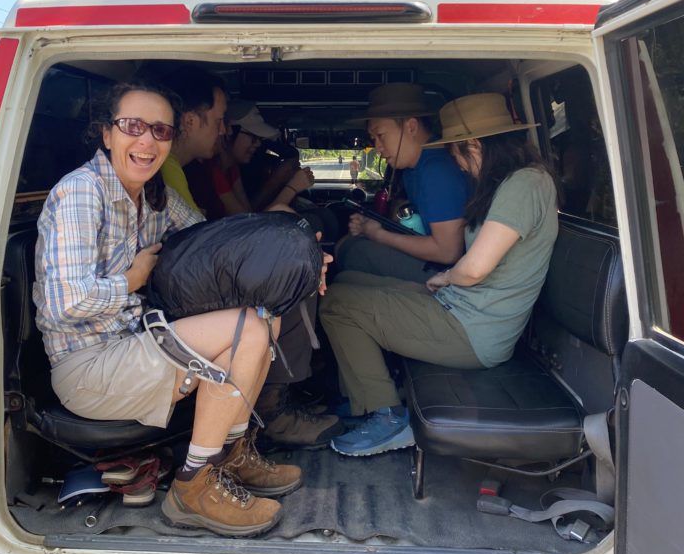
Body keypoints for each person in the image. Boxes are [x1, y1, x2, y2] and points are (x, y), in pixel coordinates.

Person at [33, 82, 314, 537]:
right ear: (107, 134)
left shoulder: (154, 194)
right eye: (133, 126)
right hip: (90, 366)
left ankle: (231, 455)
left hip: (138, 341)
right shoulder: (82, 193)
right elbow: (66, 304)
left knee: (267, 316)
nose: (147, 141)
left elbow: (211, 242)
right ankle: (193, 487)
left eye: (160, 131)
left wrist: (291, 255)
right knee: (247, 329)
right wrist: (131, 280)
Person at [320, 92, 558, 457]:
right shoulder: (515, 183)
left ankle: (387, 415)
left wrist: (445, 277)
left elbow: (474, 268)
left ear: (474, 146)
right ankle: (363, 394)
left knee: (338, 305)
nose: (457, 165)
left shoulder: (524, 185)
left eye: (457, 153)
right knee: (347, 283)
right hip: (463, 309)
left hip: (474, 330)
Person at [187, 100, 343, 450]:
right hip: (210, 272)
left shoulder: (226, 170)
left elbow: (249, 218)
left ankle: (282, 394)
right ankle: (273, 410)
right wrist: (285, 189)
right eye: (250, 138)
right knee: (291, 281)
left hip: (219, 263)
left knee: (299, 261)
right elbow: (245, 223)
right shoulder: (205, 171)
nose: (255, 145)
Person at [336, 83, 471, 284]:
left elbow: (448, 252)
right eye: (373, 139)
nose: (377, 147)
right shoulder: (411, 167)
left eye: (380, 135)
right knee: (351, 246)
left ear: (411, 127)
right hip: (434, 262)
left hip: (446, 275)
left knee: (353, 253)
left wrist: (378, 234)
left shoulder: (437, 170)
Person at [185, 100, 314, 221]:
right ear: (228, 131)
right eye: (252, 137)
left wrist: (276, 180)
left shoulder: (231, 169)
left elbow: (248, 214)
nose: (257, 144)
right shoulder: (210, 171)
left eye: (259, 139)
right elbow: (247, 226)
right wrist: (291, 188)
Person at [157, 65, 228, 211]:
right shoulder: (167, 170)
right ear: (189, 122)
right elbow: (200, 234)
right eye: (218, 121)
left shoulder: (175, 167)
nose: (223, 131)